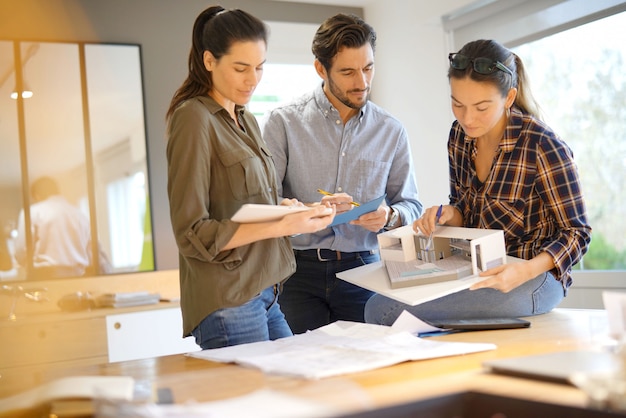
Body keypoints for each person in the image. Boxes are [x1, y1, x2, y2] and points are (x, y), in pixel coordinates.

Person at [365, 39, 592, 326]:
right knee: (377, 300)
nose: (467, 118)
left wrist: (522, 272)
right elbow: (464, 208)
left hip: (535, 279)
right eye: (457, 104)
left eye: (482, 107)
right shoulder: (459, 137)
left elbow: (578, 233)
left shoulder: (542, 145)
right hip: (478, 267)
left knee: (382, 311)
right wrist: (449, 214)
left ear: (509, 98)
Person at [165, 6, 335, 349]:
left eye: (259, 68)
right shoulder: (193, 119)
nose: (252, 79)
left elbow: (247, 204)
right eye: (241, 68)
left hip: (266, 291)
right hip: (229, 299)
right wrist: (286, 226)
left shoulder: (248, 120)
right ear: (209, 60)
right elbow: (191, 233)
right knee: (261, 402)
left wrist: (290, 210)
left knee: (293, 391)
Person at [262, 13, 423, 334]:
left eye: (368, 68)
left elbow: (411, 206)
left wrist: (388, 216)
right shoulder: (283, 123)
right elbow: (264, 203)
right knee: (303, 373)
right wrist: (309, 211)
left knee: (367, 371)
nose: (362, 82)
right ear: (321, 69)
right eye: (348, 72)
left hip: (364, 268)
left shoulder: (391, 130)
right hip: (297, 271)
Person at [14, 176, 112, 280]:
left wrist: (25, 264)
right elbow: (94, 250)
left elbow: (21, 250)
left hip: (44, 277)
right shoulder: (80, 214)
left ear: (37, 195)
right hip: (78, 278)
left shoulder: (32, 212)